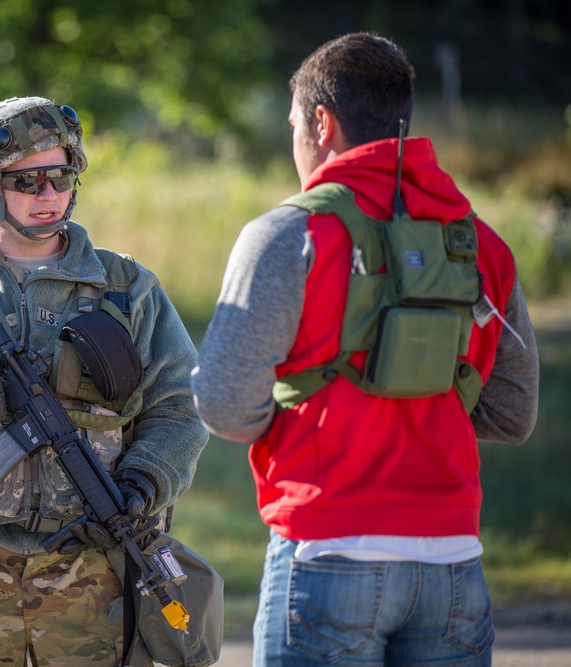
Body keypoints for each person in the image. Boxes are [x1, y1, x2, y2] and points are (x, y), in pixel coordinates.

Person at [192, 33, 539, 667]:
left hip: (327, 552)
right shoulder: (483, 246)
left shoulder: (285, 234)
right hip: (454, 566)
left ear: (321, 123)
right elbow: (513, 414)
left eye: (294, 124)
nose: (295, 140)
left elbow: (221, 404)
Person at [0, 96, 209, 666]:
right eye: (27, 180)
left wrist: (144, 482)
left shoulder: (125, 286)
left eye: (60, 176)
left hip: (91, 565)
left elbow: (180, 406)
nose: (48, 195)